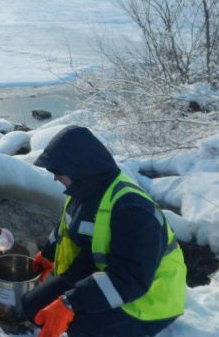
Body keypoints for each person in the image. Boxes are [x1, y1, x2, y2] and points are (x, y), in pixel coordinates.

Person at [22, 126, 187, 337]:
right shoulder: (84, 190)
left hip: (147, 298)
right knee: (33, 307)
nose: (55, 178)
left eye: (58, 172)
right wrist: (47, 255)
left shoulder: (132, 209)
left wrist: (70, 303)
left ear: (78, 168)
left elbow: (131, 278)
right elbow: (67, 229)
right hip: (104, 269)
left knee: (79, 326)